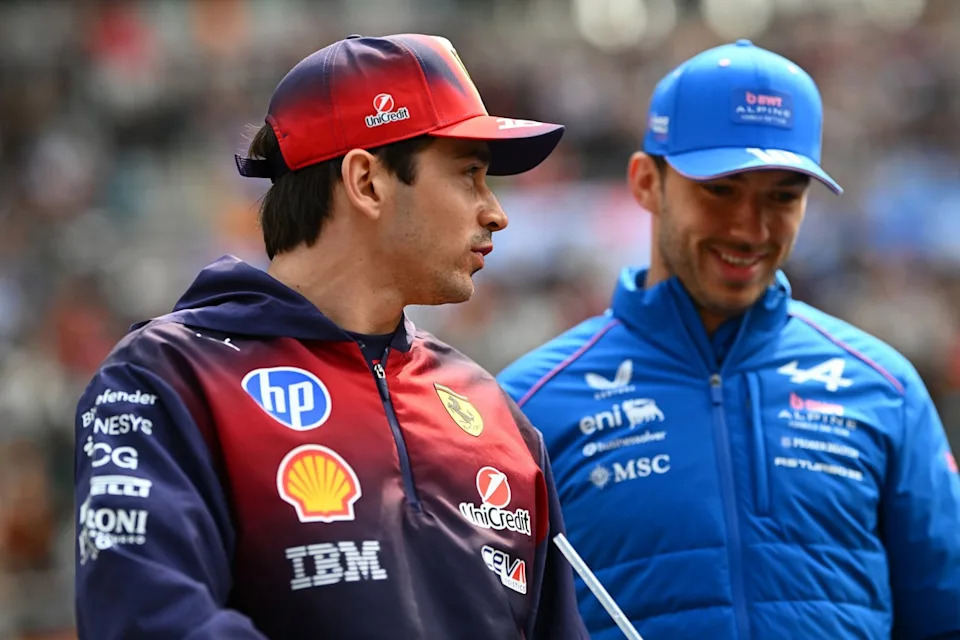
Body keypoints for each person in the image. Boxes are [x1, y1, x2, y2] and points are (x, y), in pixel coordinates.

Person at [74, 33, 588, 640]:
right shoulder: (166, 378)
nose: (495, 211)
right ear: (367, 182)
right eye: (470, 174)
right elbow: (150, 620)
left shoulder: (496, 416)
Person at [498, 40, 960, 640]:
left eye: (783, 197)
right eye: (720, 189)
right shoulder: (528, 406)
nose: (750, 228)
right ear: (646, 183)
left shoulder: (884, 388)